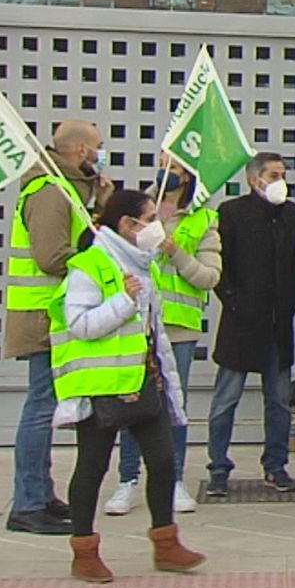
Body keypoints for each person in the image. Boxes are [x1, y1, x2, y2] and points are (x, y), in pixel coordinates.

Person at [53, 190, 205, 582]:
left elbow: (153, 330)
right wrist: (123, 301)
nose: (156, 226)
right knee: (92, 467)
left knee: (163, 460)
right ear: (126, 224)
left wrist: (165, 377)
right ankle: (84, 550)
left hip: (142, 379)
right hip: (102, 385)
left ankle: (167, 544)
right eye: (149, 218)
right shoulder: (90, 265)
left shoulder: (144, 264)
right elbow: (80, 324)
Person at [5, 120, 112, 535]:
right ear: (81, 151)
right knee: (40, 407)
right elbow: (52, 256)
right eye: (98, 147)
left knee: (44, 405)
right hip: (41, 314)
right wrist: (94, 260)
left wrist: (101, 201)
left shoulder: (67, 188)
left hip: (51, 313)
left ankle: (40, 494)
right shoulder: (49, 191)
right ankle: (28, 502)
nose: (102, 154)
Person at [106, 156, 219, 518]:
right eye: (162, 162)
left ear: (188, 174)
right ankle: (127, 480)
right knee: (131, 400)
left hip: (179, 328)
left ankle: (174, 481)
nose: (167, 170)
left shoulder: (203, 217)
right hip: (137, 322)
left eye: (175, 165)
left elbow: (209, 277)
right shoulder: (140, 207)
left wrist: (176, 252)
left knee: (173, 405)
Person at [207, 152, 295, 497]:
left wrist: (293, 298)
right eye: (274, 174)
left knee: (279, 401)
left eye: (283, 174)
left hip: (278, 325)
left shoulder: (291, 213)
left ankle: (276, 465)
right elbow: (222, 265)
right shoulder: (232, 212)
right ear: (255, 179)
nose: (281, 180)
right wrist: (235, 302)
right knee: (226, 399)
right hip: (241, 323)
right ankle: (218, 467)